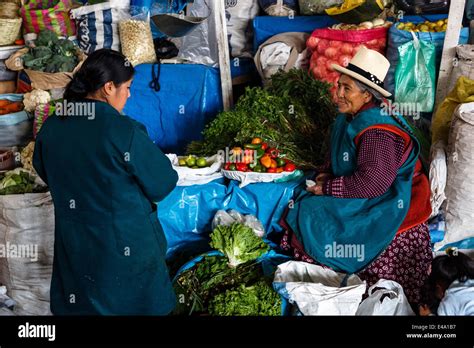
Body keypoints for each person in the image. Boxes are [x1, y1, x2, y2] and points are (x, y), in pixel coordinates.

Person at [280, 47, 432, 305]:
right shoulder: (351, 115)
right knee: (308, 202)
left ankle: (339, 272)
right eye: (339, 86)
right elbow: (337, 150)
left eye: (346, 89)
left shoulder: (377, 132)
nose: (338, 94)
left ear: (366, 94)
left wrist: (327, 188)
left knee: (314, 211)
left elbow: (373, 182)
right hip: (369, 186)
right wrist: (326, 173)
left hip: (388, 197)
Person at [33, 49, 178, 315]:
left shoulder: (52, 126)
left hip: (76, 246)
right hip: (125, 249)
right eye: (128, 87)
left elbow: (43, 169)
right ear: (109, 87)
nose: (130, 95)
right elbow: (163, 184)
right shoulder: (122, 130)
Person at [420, 248, 474, 316]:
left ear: (438, 287)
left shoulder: (449, 301)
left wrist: (426, 314)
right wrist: (450, 251)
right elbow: (452, 250)